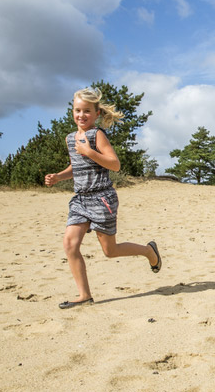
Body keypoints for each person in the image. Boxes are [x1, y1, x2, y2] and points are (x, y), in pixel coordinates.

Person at [45, 87, 162, 309]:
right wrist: (59, 177)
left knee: (110, 251)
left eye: (87, 111)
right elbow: (77, 167)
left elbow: (114, 164)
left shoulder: (97, 135)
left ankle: (148, 251)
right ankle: (84, 295)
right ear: (72, 111)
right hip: (80, 200)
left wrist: (90, 152)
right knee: (70, 244)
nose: (81, 115)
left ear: (97, 113)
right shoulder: (71, 139)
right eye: (77, 110)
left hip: (102, 198)